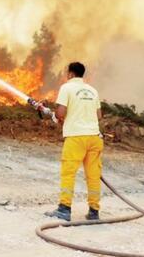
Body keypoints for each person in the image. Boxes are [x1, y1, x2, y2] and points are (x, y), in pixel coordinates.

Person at [44, 61, 103, 222]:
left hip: (76, 138)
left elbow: (61, 112)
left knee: (68, 173)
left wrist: (57, 116)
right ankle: (94, 211)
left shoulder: (66, 87)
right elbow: (98, 116)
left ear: (70, 74)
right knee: (93, 175)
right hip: (94, 137)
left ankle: (64, 209)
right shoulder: (92, 90)